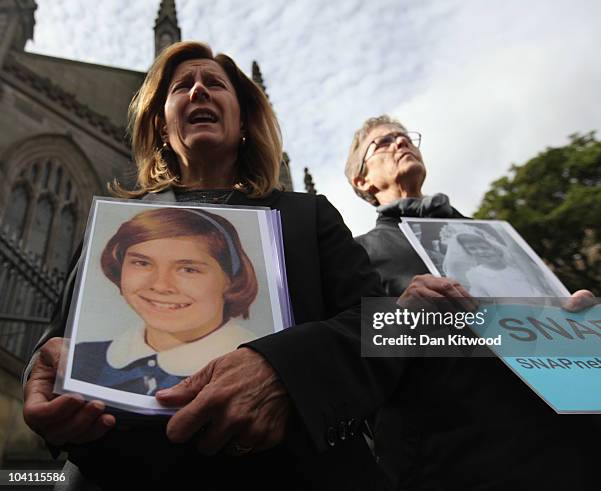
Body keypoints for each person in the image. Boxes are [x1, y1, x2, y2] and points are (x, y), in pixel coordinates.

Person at [22, 43, 401, 490]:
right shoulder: (114, 226)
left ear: (243, 122)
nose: (198, 89)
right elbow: (57, 338)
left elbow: (387, 328)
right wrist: (39, 374)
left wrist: (286, 371)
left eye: (215, 83)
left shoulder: (305, 216)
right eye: (182, 86)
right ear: (162, 125)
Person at [345, 114, 601, 490]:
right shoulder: (360, 254)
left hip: (570, 443)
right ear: (362, 180)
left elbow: (552, 332)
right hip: (463, 460)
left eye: (405, 137)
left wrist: (580, 318)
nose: (401, 143)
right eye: (384, 143)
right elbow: (349, 355)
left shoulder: (496, 236)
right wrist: (403, 316)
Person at [72, 207, 258, 396]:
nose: (160, 286)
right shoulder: (81, 358)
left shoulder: (260, 372)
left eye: (188, 269)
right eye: (142, 263)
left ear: (231, 279)